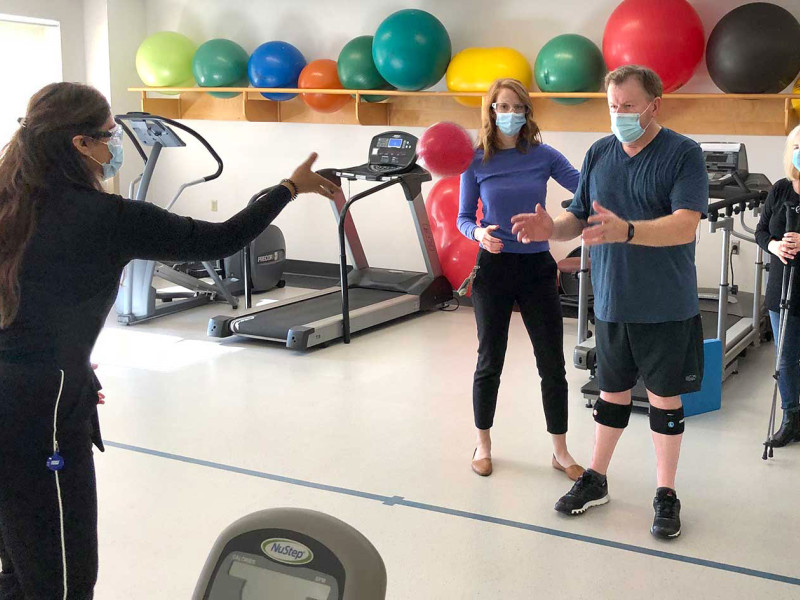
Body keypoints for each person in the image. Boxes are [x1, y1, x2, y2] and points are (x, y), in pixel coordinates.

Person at [0, 82, 338, 598]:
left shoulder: (8, 201)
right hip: (40, 406)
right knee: (61, 579)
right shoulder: (109, 218)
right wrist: (288, 188)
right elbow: (222, 238)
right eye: (109, 135)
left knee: (16, 560)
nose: (113, 146)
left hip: (37, 390)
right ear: (80, 144)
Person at [510, 65, 708, 539]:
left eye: (628, 106)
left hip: (665, 303)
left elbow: (685, 223)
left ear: (654, 105)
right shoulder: (600, 152)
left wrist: (629, 231)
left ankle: (665, 493)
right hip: (612, 300)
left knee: (663, 398)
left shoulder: (683, 154)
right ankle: (596, 478)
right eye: (612, 106)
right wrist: (550, 231)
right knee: (611, 392)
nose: (618, 115)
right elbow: (576, 217)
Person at [458, 78, 584, 480]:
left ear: (527, 112)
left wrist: (558, 221)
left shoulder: (543, 155)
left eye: (517, 107)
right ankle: (483, 443)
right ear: (490, 111)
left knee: (552, 363)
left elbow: (584, 186)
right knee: (489, 360)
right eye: (502, 106)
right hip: (493, 268)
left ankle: (560, 451)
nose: (509, 114)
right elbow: (463, 218)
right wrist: (479, 233)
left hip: (536, 268)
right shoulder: (476, 160)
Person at [754, 124, 800, 447]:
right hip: (781, 287)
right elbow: (761, 231)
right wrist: (774, 246)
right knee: (784, 357)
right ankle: (791, 417)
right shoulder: (781, 189)